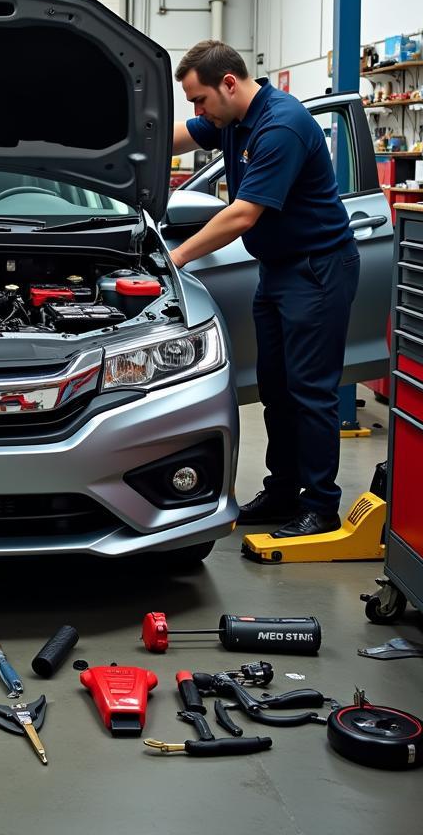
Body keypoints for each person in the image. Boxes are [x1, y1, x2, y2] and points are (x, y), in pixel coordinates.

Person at [170, 40, 361, 538]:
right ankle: (282, 493)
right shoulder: (231, 119)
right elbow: (172, 139)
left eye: (199, 100)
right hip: (277, 270)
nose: (198, 112)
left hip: (316, 271)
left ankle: (320, 506)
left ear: (228, 83)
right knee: (277, 389)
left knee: (311, 393)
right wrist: (116, 141)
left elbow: (243, 213)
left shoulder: (281, 126)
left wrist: (176, 257)